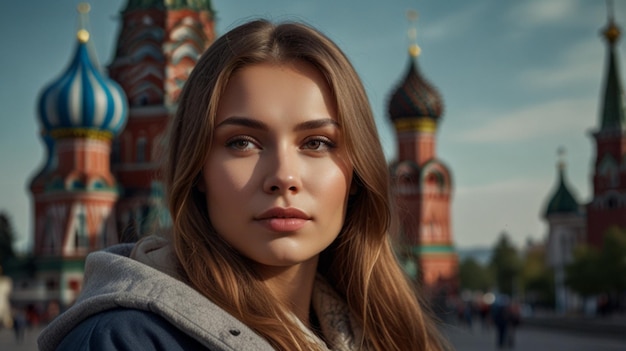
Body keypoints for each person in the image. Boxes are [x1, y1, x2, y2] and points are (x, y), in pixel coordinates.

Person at [38, 19, 450, 351]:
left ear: (357, 174)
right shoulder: (124, 340)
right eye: (243, 142)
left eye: (317, 142)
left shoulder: (388, 335)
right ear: (197, 168)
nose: (284, 177)